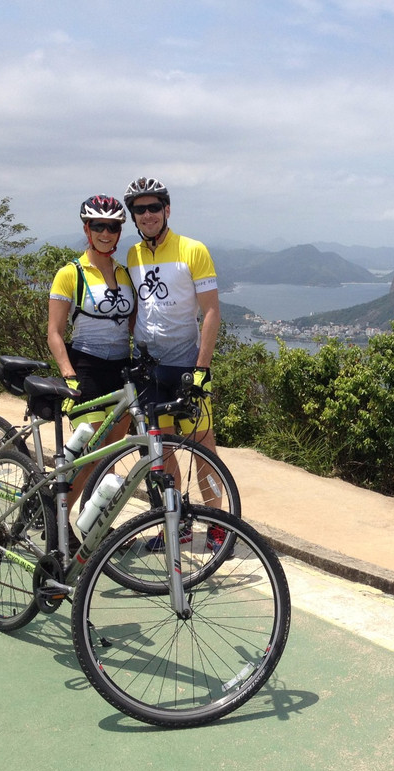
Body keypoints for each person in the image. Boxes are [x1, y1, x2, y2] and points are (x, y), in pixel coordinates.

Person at [122, 176, 225, 551]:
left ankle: (218, 528)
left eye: (154, 207)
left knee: (203, 447)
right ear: (134, 216)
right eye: (140, 209)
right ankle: (176, 524)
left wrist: (201, 369)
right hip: (149, 368)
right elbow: (137, 308)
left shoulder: (193, 250)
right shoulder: (132, 255)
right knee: (162, 451)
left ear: (167, 210)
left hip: (186, 366)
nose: (147, 215)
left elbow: (211, 312)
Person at [47, 195, 135, 520]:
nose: (106, 234)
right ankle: (58, 520)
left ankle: (93, 527)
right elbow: (54, 332)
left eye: (113, 227)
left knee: (109, 456)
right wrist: (68, 375)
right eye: (99, 226)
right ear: (87, 229)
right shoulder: (70, 273)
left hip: (121, 371)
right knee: (89, 453)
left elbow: (135, 326)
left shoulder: (125, 274)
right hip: (86, 368)